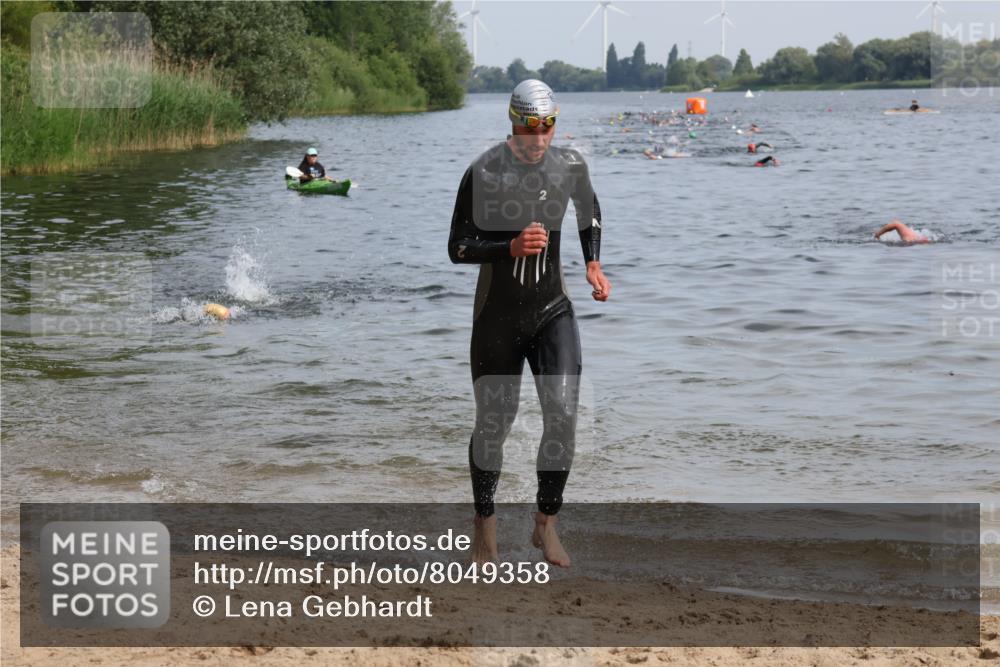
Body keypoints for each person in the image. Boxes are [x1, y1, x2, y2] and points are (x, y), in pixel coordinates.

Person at [448, 79, 611, 568]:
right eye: (528, 128)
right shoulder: (484, 171)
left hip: (552, 309)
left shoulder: (571, 166)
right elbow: (457, 247)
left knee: (562, 414)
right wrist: (508, 247)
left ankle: (546, 526)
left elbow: (590, 209)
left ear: (554, 123)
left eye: (546, 127)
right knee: (494, 425)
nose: (538, 138)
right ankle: (484, 528)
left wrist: (593, 263)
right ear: (512, 122)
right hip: (497, 314)